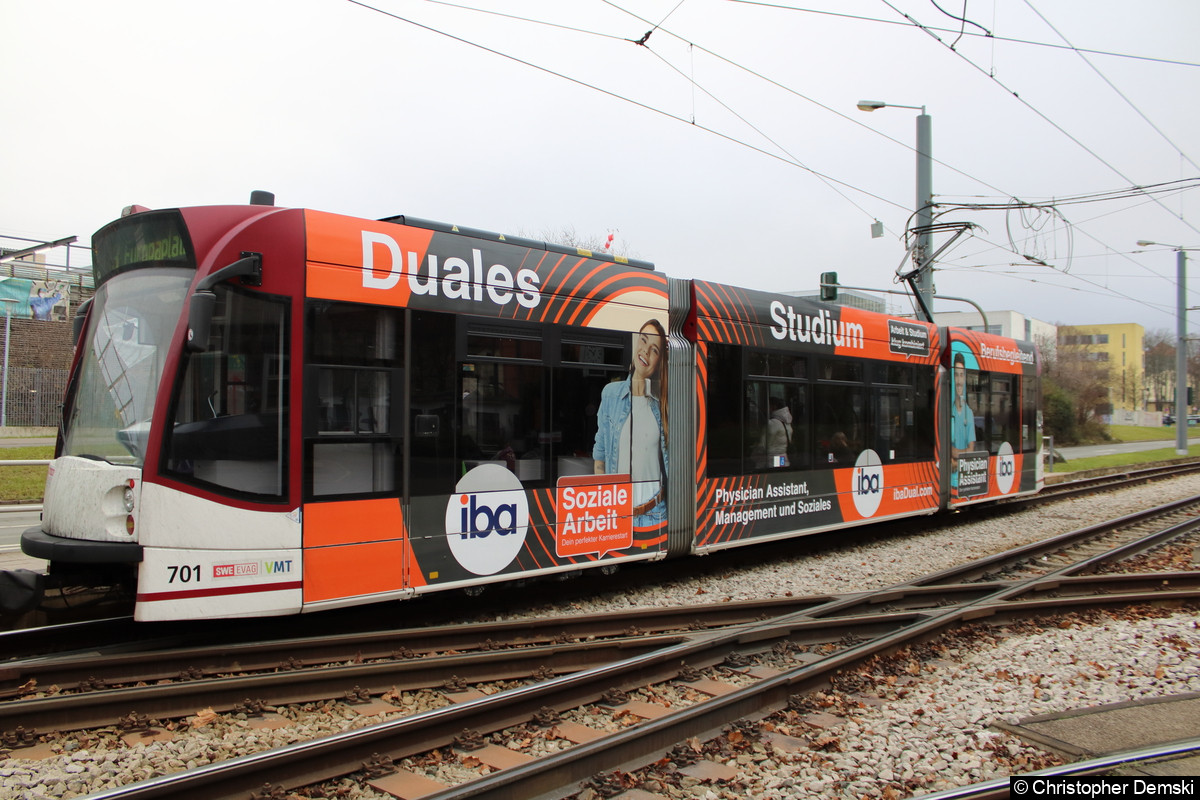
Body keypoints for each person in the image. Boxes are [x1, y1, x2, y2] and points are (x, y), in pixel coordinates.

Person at [593, 319, 668, 527]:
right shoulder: (610, 394)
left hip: (656, 514)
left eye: (654, 350)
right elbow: (600, 458)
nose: (645, 351)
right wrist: (605, 508)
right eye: (643, 341)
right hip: (618, 515)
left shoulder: (663, 405)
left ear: (658, 361)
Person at [950, 352, 975, 485]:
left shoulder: (969, 413)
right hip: (950, 475)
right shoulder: (948, 410)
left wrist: (954, 453)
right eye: (956, 375)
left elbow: (971, 450)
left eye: (962, 375)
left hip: (962, 476)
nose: (959, 381)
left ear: (965, 378)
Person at [762, 396, 793, 468]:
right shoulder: (786, 422)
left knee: (774, 477)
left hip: (773, 458)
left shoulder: (772, 423)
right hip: (783, 457)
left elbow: (763, 444)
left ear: (773, 406)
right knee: (780, 475)